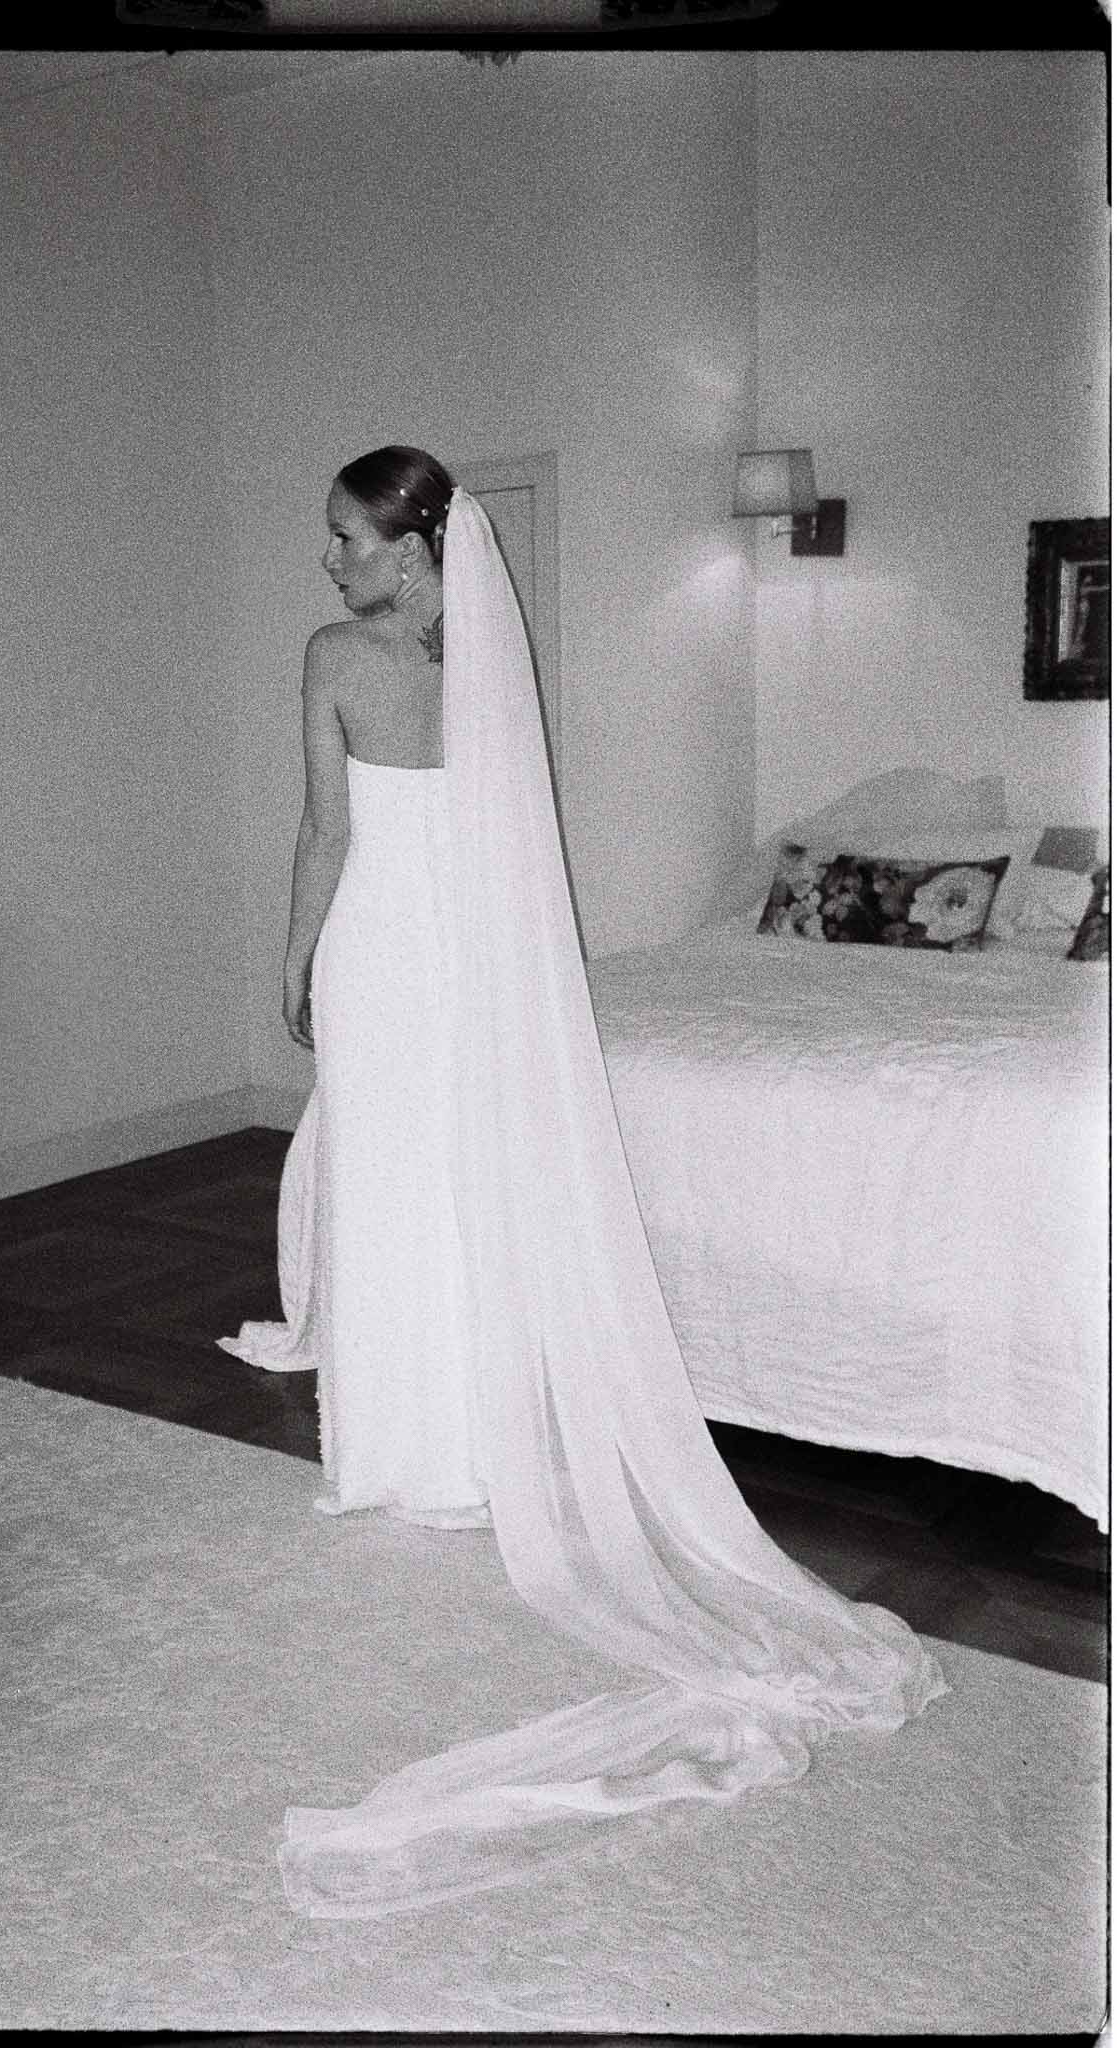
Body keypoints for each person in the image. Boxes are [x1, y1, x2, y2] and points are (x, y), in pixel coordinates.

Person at [220, 447, 947, 1921]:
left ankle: (398, 1455)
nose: (331, 560)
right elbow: (511, 840)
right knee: (450, 1186)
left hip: (377, 946)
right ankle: (476, 1451)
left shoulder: (334, 659)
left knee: (387, 1183)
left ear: (410, 549)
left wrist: (291, 961)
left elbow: (323, 832)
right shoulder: (491, 656)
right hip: (464, 957)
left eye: (346, 537)